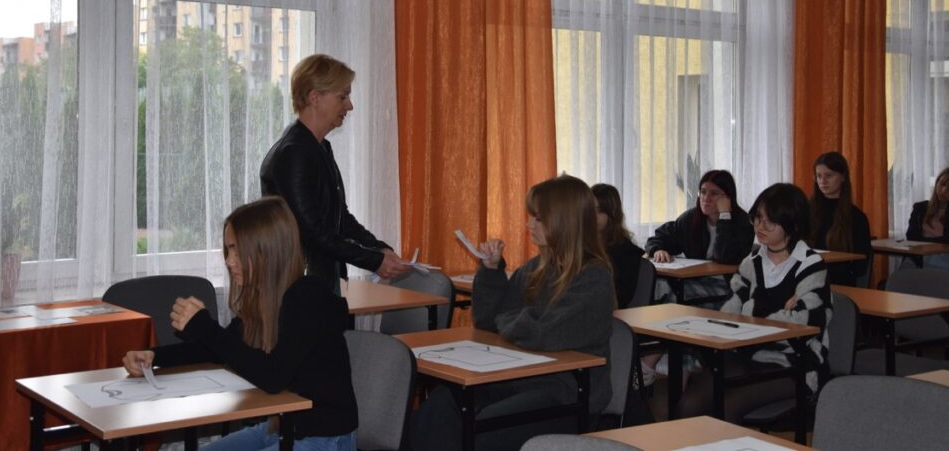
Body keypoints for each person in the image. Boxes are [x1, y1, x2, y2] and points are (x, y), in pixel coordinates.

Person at [122, 197, 357, 450]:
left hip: (324, 437)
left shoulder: (308, 298)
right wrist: (154, 357)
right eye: (228, 250)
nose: (229, 260)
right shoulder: (264, 298)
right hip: (279, 428)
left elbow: (273, 376)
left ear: (267, 251)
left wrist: (205, 328)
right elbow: (217, 349)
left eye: (236, 250)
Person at [412, 175, 614, 451]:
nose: (529, 224)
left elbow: (542, 334)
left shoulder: (593, 277)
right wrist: (491, 271)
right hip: (517, 375)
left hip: (567, 390)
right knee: (440, 407)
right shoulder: (536, 267)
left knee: (482, 431)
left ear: (564, 222)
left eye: (538, 218)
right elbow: (487, 322)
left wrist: (509, 319)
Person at [681, 183, 832, 423]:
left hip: (796, 364)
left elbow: (802, 326)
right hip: (749, 355)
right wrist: (779, 310)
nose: (760, 227)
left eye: (770, 221)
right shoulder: (751, 262)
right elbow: (729, 314)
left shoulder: (810, 266)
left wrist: (752, 311)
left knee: (728, 408)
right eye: (758, 218)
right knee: (689, 404)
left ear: (793, 225)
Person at [260, 54, 407, 293]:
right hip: (297, 287)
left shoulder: (318, 148)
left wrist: (378, 249)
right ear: (315, 97)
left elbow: (340, 218)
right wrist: (373, 260)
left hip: (316, 280)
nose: (349, 105)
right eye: (343, 96)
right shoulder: (295, 153)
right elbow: (312, 232)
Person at [645, 169, 754, 303]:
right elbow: (658, 237)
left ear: (728, 198)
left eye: (714, 193)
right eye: (703, 192)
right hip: (696, 280)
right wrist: (658, 249)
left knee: (674, 299)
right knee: (655, 291)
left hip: (729, 286)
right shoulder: (690, 219)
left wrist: (725, 215)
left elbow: (724, 256)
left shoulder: (743, 223)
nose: (706, 198)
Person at [808, 152, 872, 286]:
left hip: (838, 280)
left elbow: (861, 263)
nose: (823, 181)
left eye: (829, 176)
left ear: (843, 177)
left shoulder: (856, 216)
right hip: (808, 275)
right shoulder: (807, 211)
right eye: (819, 176)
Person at [592, 183, 644, 307]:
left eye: (599, 211)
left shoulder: (628, 253)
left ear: (612, 214)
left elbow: (621, 297)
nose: (592, 217)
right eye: (589, 211)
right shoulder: (583, 245)